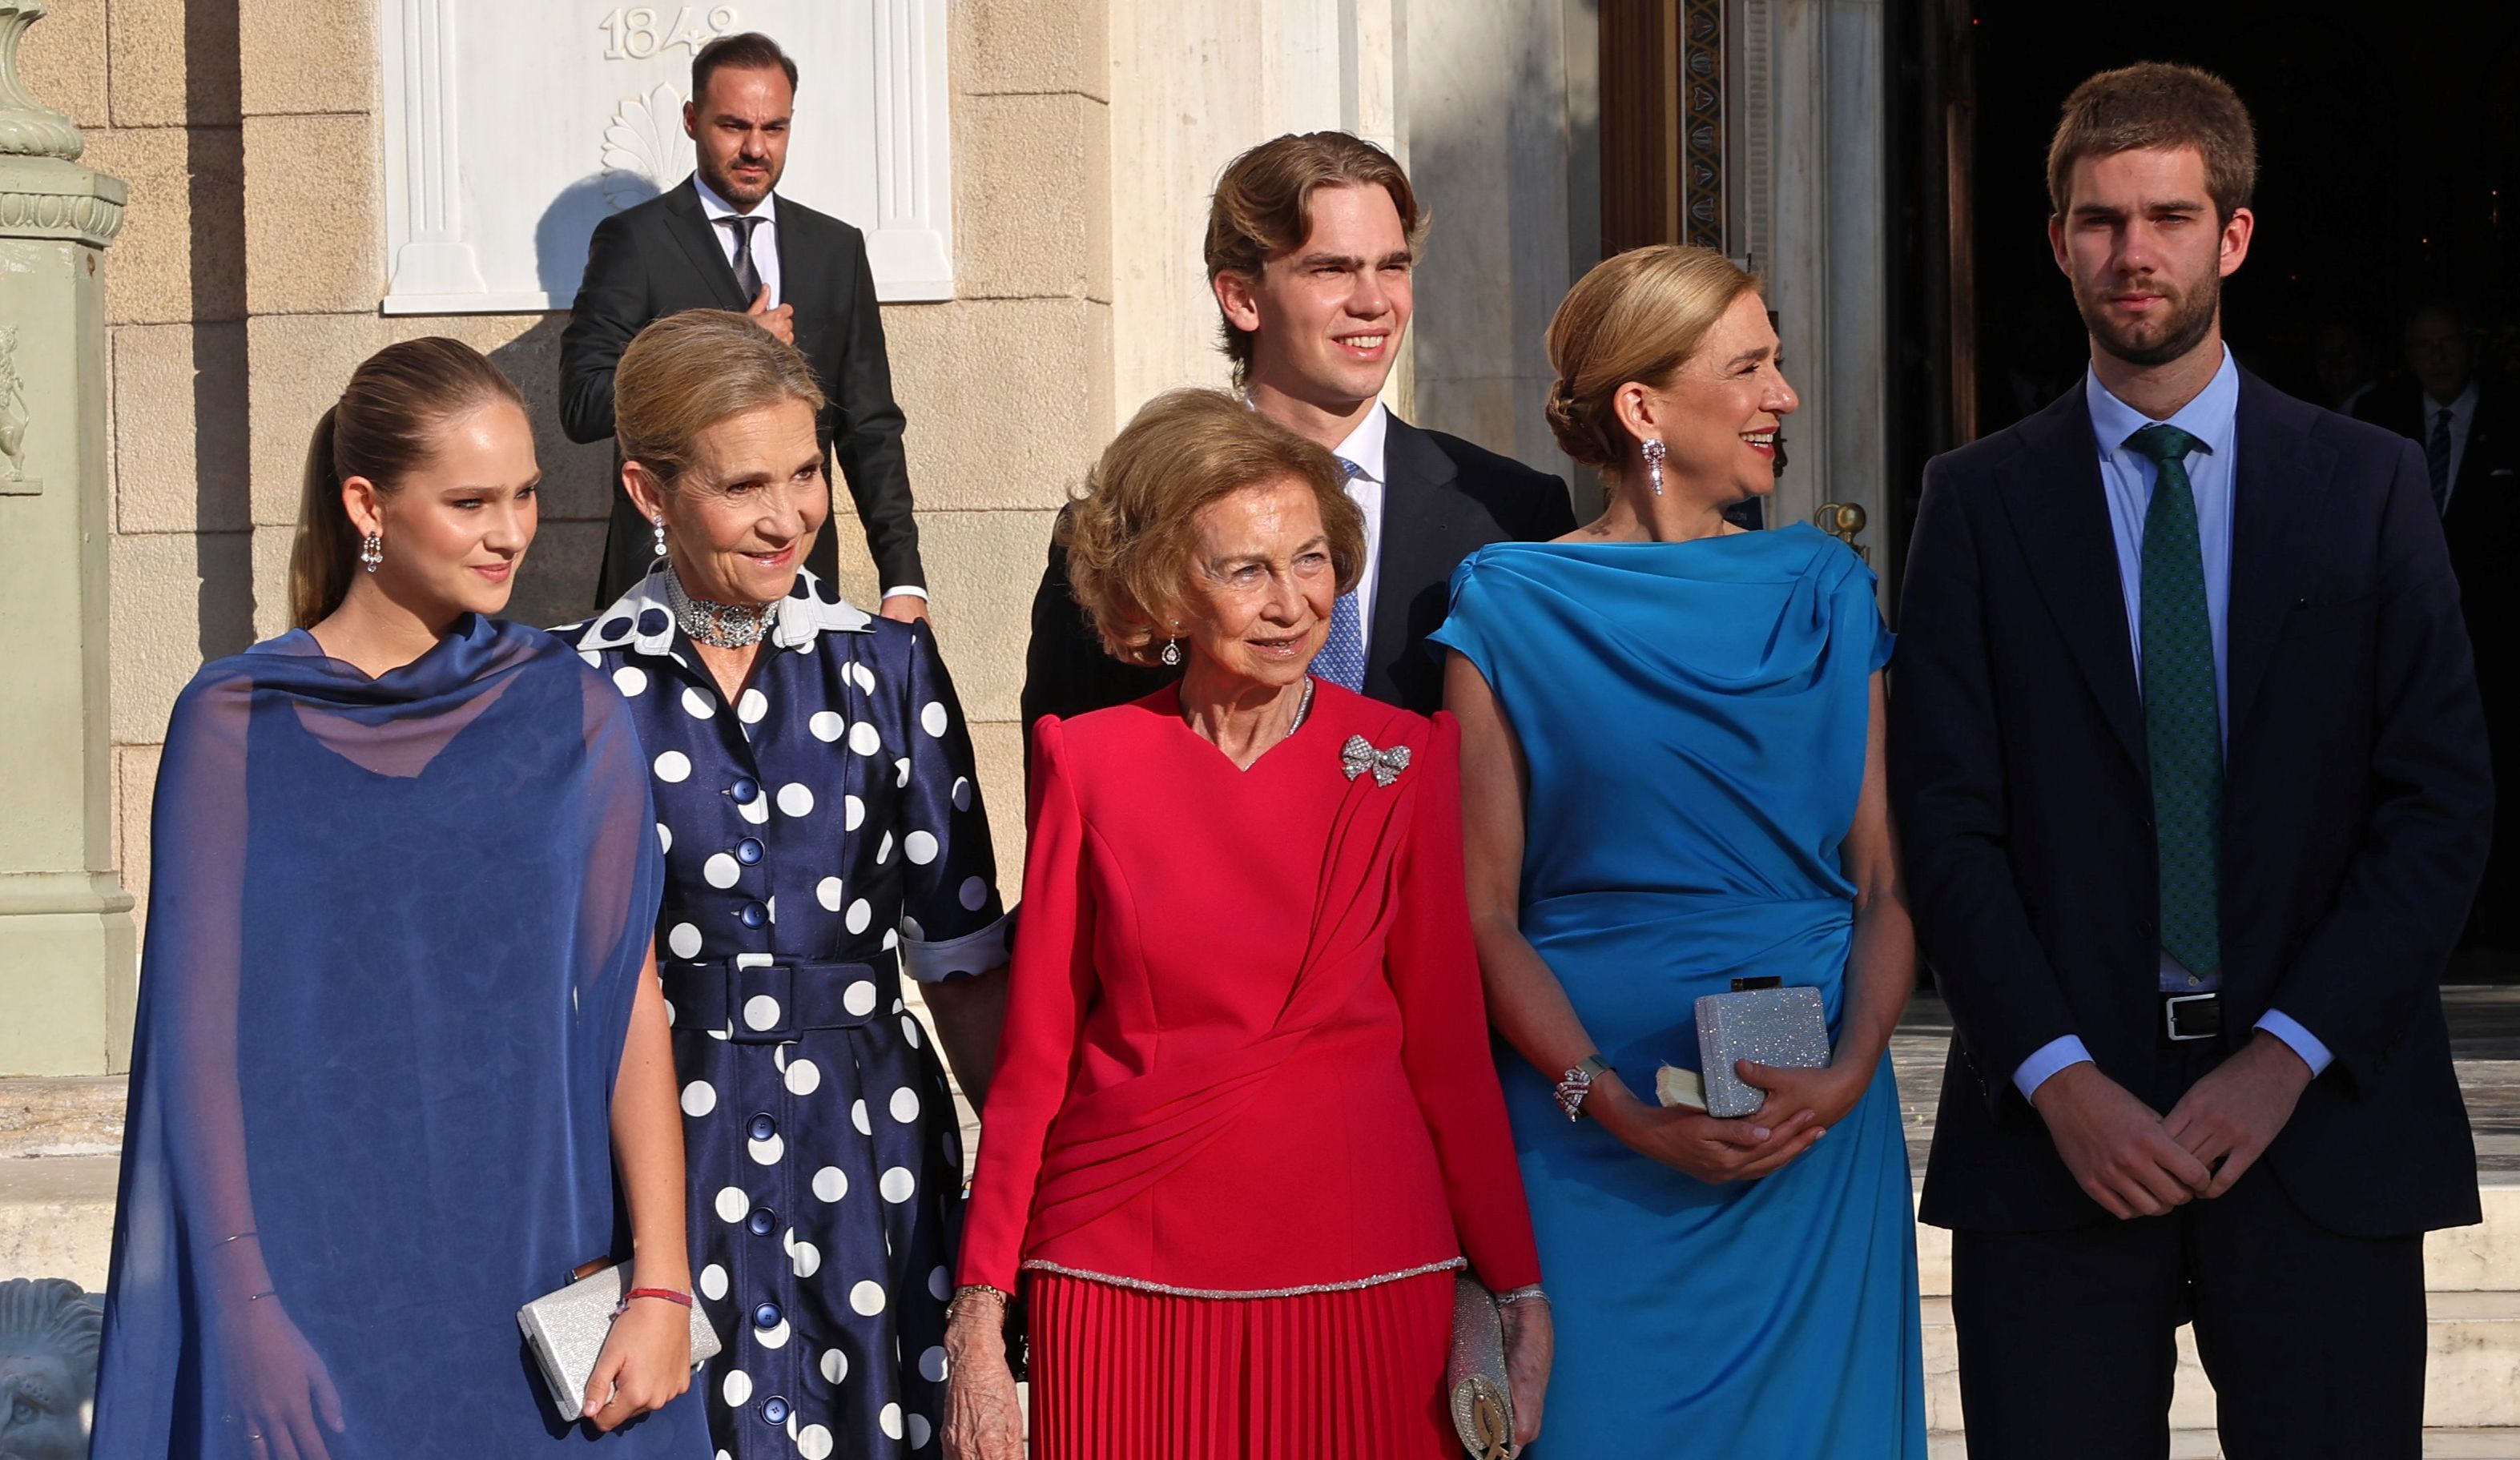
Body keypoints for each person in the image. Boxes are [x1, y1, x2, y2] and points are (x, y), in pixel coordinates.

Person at [1890, 64, 2492, 1460]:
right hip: (2058, 1141)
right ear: (2055, 242)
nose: (2130, 251)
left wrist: (2283, 1055)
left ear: (2232, 235)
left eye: (2166, 215)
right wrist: (2055, 1073)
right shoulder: (1975, 502)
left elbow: (2440, 804)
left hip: (2320, 1124)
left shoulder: (2368, 485)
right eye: (2098, 220)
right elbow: (1943, 817)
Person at [90, 340, 706, 1458]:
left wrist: (664, 1283)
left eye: (524, 494)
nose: (511, 531)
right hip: (307, 1288)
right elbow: (199, 1046)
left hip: (533, 1273)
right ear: (368, 501)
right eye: (470, 500)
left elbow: (628, 1007)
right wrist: (245, 1313)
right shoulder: (234, 723)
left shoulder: (574, 714)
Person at [944, 390, 1547, 1459]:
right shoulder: (1086, 761)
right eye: (1247, 569)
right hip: (1120, 1274)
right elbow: (1035, 1061)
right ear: (1166, 590)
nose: (1291, 602)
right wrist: (981, 1307)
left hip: (1367, 1269)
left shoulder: (1406, 760)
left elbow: (1449, 1055)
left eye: (1311, 559)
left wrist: (1516, 1284)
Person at [1433, 245, 1922, 1456]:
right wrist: (1612, 1104)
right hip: (1589, 1141)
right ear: (1642, 408)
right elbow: (1479, 911)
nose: (1784, 396)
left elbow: (1885, 879)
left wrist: (1856, 1062)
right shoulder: (1506, 600)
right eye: (1749, 365)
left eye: (1779, 363)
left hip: (1806, 1134)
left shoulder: (1823, 584)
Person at [558, 310, 1008, 1460]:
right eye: (744, 483)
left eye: (807, 473)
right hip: (657, 1168)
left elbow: (962, 972)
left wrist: (1013, 1239)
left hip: (876, 1165)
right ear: (649, 492)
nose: (789, 515)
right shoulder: (572, 689)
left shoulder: (890, 667)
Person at [1018, 131, 1575, 736]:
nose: (1374, 302)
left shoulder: (1513, 513)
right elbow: (1070, 774)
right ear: (1240, 298)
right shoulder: (1122, 521)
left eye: (1392, 266)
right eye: (1332, 268)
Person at [561, 31, 927, 621]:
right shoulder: (634, 242)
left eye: (774, 128)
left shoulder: (835, 249)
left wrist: (903, 579)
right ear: (690, 120)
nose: (756, 148)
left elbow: (870, 428)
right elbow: (580, 405)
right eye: (733, 126)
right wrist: (727, 347)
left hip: (798, 583)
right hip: (666, 585)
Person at [2353, 300, 2520, 951]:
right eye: (2423, 345)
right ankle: (2437, 939)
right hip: (2404, 647)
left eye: (2448, 344)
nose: (2437, 359)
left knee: (2506, 788)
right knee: (2413, 788)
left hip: (2501, 646)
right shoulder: (2378, 417)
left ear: (2470, 347)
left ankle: (2516, 932)